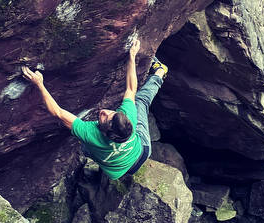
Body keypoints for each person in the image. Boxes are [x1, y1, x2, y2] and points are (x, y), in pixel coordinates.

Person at [21, 39, 167, 180]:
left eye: (105, 119)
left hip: (133, 156)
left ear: (104, 133)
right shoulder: (129, 117)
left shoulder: (90, 134)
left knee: (86, 145)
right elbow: (130, 88)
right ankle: (159, 73)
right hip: (134, 156)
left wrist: (39, 84)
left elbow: (57, 112)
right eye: (111, 113)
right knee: (137, 100)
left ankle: (160, 72)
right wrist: (131, 56)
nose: (104, 112)